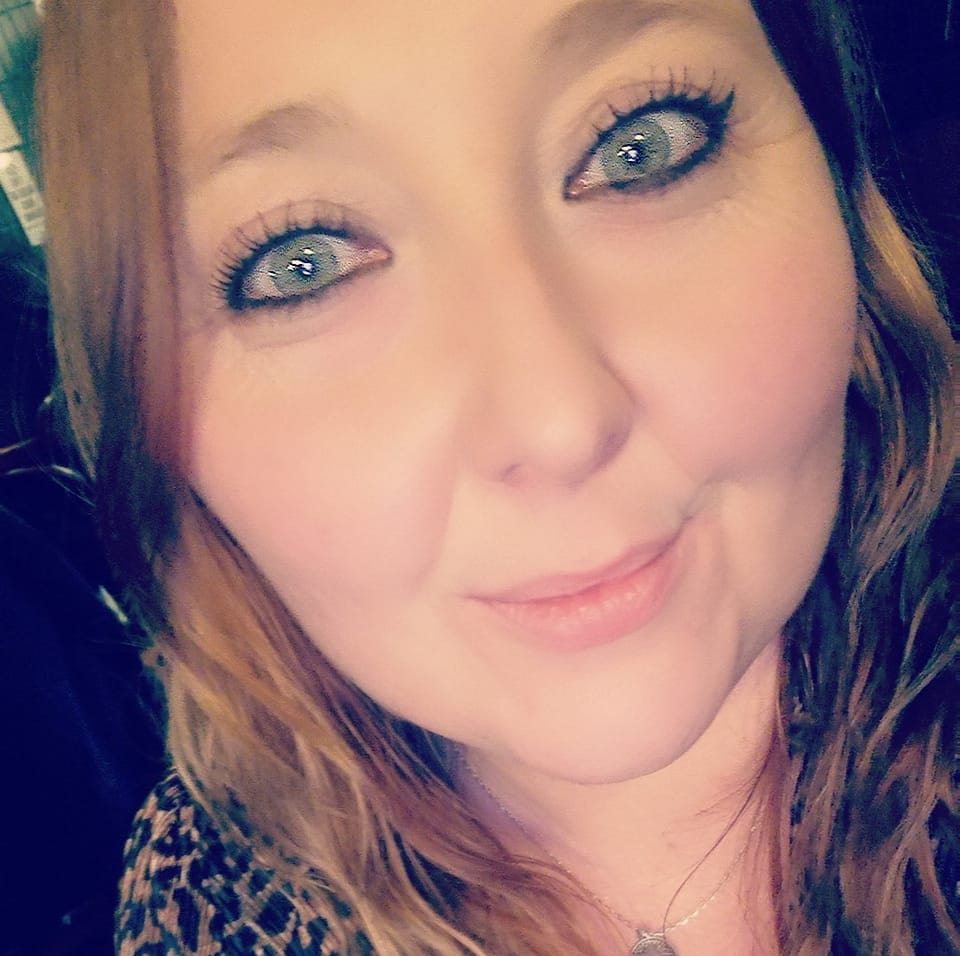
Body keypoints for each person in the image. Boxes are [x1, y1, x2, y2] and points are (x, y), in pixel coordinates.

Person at [36, 0, 957, 952]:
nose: (557, 423)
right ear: (160, 431)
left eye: (640, 146)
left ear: (839, 186)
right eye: (302, 265)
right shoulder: (208, 902)